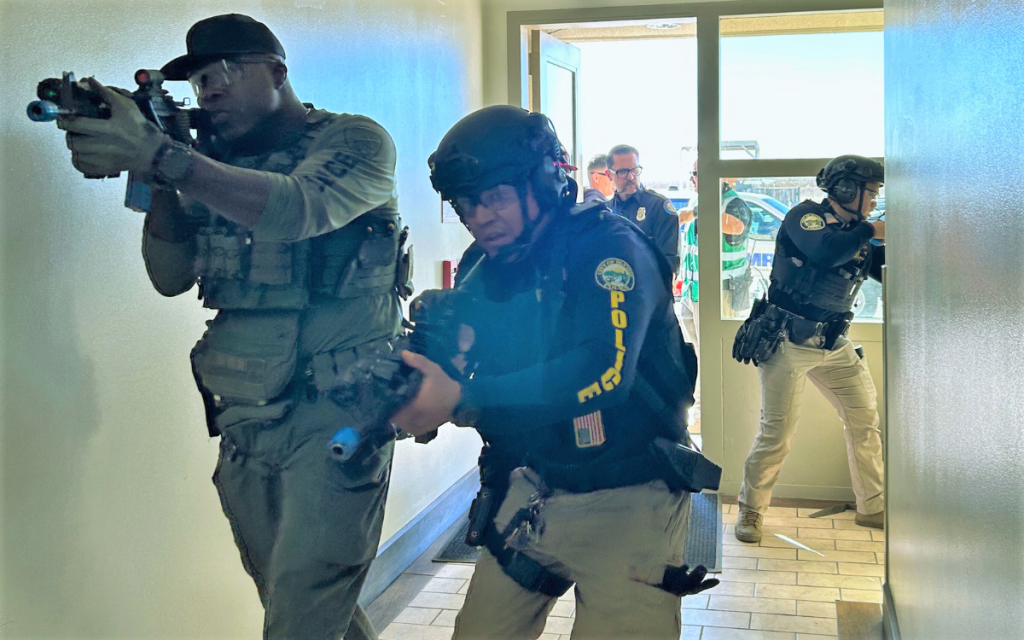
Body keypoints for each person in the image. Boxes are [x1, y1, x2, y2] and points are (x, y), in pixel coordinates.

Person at [59, 14, 409, 639]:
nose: (207, 91)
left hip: (341, 410)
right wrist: (157, 178)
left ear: (277, 72)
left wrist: (164, 156)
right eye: (196, 82)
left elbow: (298, 209)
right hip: (247, 411)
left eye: (221, 73)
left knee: (302, 610)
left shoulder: (356, 142)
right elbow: (168, 278)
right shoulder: (202, 163)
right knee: (290, 596)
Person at [389, 105, 719, 640]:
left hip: (630, 492)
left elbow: (604, 373)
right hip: (535, 485)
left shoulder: (611, 249)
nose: (480, 216)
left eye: (494, 196)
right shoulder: (487, 262)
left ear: (543, 182)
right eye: (467, 203)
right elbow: (463, 349)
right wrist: (418, 382)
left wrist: (462, 399)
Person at [731, 155, 886, 543]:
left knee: (865, 421)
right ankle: (751, 510)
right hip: (787, 340)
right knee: (777, 434)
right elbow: (826, 253)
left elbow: (884, 270)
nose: (873, 200)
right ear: (847, 189)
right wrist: (871, 229)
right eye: (871, 192)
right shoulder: (807, 218)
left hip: (832, 343)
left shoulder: (856, 234)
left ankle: (873, 506)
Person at [605, 145, 681, 277]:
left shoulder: (658, 206)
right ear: (609, 175)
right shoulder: (606, 212)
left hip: (650, 291)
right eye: (623, 172)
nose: (631, 176)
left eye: (634, 170)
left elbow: (670, 263)